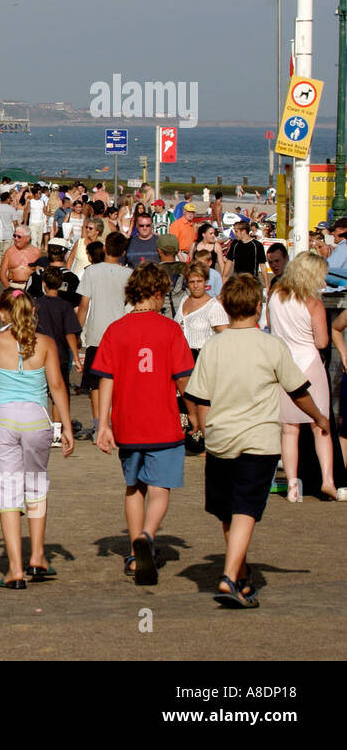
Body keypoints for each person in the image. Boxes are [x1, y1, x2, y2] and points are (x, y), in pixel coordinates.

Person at [184, 274, 331, 608]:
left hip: (220, 438)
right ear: (258, 306)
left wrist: (204, 430)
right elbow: (298, 391)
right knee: (246, 509)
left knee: (227, 511)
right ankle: (229, 576)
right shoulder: (271, 345)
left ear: (224, 305)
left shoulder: (213, 346)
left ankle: (239, 573)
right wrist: (320, 418)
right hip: (259, 439)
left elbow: (197, 396)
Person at [0, 289, 74, 588]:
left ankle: (15, 569)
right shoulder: (47, 343)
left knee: (7, 492)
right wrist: (64, 427)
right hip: (38, 419)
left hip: (4, 420)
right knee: (36, 486)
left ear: (3, 313)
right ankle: (37, 556)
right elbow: (57, 386)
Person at [93, 263, 195, 586]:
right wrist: (194, 414)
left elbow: (105, 378)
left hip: (127, 422)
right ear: (157, 292)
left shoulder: (115, 329)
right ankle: (148, 537)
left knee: (133, 487)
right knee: (159, 490)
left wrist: (103, 423)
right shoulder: (170, 330)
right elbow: (183, 380)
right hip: (162, 423)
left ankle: (136, 554)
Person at [267, 251, 339, 502]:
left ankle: (292, 485)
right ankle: (328, 480)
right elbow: (322, 341)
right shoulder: (313, 302)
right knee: (321, 426)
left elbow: (272, 330)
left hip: (284, 363)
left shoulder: (274, 296)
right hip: (309, 362)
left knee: (288, 429)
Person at [76, 233, 130, 437]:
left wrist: (77, 333)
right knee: (118, 382)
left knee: (95, 384)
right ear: (123, 252)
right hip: (121, 335)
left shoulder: (91, 272)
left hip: (96, 334)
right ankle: (115, 423)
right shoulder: (128, 274)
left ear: (105, 248)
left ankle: (99, 425)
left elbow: (83, 306)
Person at [34, 266, 83, 426]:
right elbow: (70, 333)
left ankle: (36, 425)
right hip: (60, 355)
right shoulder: (65, 306)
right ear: (61, 283)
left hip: (38, 356)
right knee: (59, 392)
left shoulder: (36, 305)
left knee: (39, 392)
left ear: (44, 283)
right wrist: (76, 357)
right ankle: (57, 431)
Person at [0, 223, 41, 290]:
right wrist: (9, 289)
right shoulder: (9, 251)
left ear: (27, 239)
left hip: (30, 287)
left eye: (19, 236)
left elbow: (39, 273)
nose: (15, 238)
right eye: (14, 236)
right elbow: (2, 273)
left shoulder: (36, 252)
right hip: (13, 285)